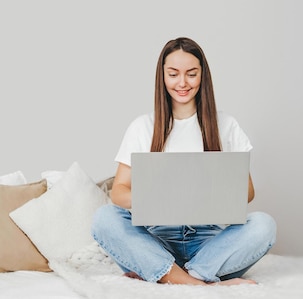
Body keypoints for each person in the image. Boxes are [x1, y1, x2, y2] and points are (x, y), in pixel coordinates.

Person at [91, 37, 277, 286]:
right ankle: (198, 283)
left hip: (210, 242)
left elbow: (248, 191)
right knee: (104, 218)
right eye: (173, 74)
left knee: (264, 224)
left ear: (203, 76)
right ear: (163, 77)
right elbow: (119, 192)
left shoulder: (226, 125)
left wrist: (202, 195)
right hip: (156, 239)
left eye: (191, 74)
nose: (182, 83)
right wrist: (160, 199)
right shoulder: (143, 126)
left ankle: (173, 275)